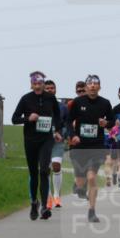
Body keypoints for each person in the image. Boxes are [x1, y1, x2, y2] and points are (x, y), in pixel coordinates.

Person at [11, 71, 63, 221]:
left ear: (44, 84)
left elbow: (58, 115)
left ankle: (45, 206)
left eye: (40, 83)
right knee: (33, 173)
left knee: (44, 170)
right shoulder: (26, 99)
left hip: (46, 139)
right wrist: (28, 118)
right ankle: (34, 202)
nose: (38, 86)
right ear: (31, 84)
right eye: (35, 84)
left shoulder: (50, 98)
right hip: (30, 140)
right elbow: (14, 119)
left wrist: (58, 130)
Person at [66, 74, 114, 223]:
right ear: (86, 87)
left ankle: (92, 211)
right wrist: (73, 135)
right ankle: (79, 186)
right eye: (90, 84)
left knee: (92, 177)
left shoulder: (105, 103)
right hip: (80, 146)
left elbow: (112, 122)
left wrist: (106, 123)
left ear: (99, 87)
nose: (93, 86)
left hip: (97, 146)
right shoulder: (78, 102)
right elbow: (68, 121)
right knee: (81, 182)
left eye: (95, 84)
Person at [44, 79, 66, 209]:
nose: (50, 90)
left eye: (52, 88)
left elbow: (66, 122)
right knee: (45, 169)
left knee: (56, 166)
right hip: (44, 141)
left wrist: (63, 134)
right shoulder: (39, 105)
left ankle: (57, 195)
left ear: (55, 90)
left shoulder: (62, 107)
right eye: (47, 88)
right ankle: (49, 198)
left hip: (57, 140)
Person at [67, 80, 87, 198]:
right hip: (74, 139)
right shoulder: (71, 104)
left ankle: (81, 186)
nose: (81, 93)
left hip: (87, 139)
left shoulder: (92, 103)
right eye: (78, 91)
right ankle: (77, 182)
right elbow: (67, 120)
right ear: (76, 91)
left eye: (83, 90)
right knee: (77, 164)